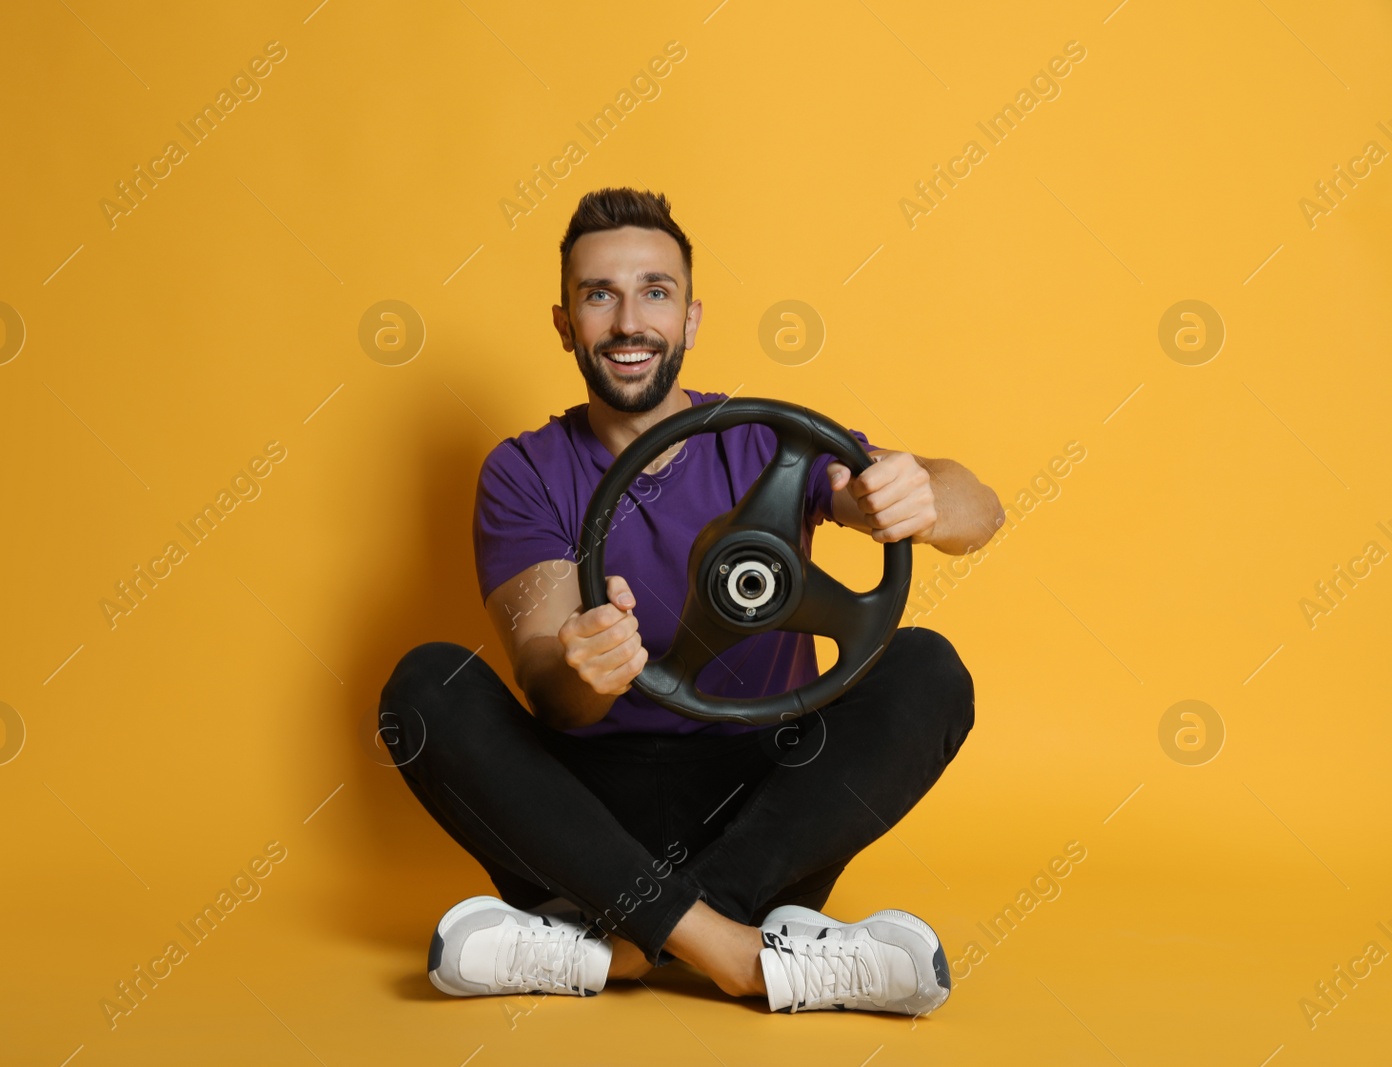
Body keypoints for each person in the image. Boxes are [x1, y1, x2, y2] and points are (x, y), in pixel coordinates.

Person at [378, 187, 1002, 1015]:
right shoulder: (523, 470)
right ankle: (742, 952)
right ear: (565, 324)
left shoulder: (766, 439)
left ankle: (622, 943)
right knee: (425, 687)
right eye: (599, 295)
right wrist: (589, 670)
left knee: (930, 669)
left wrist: (920, 496)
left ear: (691, 319)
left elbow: (978, 510)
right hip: (587, 816)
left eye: (655, 292)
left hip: (764, 807)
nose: (630, 320)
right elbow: (547, 688)